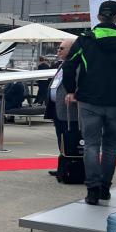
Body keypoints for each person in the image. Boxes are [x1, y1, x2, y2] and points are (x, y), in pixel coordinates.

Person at [62, 0, 116, 205]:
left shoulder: (85, 39)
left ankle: (92, 190)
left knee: (91, 145)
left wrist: (71, 90)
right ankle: (105, 189)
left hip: (89, 100)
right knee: (110, 147)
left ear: (99, 16)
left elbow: (69, 66)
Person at [44, 40, 75, 175]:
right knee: (60, 139)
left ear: (71, 49)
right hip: (58, 109)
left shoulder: (75, 65)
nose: (58, 51)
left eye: (61, 48)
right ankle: (62, 168)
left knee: (68, 139)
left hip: (68, 111)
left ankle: (69, 169)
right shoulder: (62, 65)